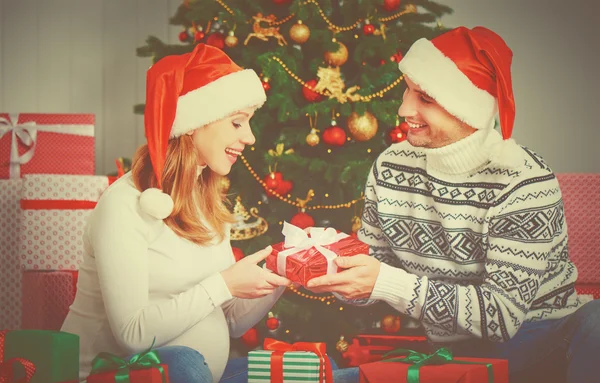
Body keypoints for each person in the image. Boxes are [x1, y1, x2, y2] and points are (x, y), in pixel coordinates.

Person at [306, 26, 600, 382]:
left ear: (468, 109)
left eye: (425, 99)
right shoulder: (390, 166)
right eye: (408, 92)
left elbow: (502, 317)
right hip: (451, 352)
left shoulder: (523, 181)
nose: (403, 109)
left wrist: (387, 283)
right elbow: (375, 269)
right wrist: (334, 262)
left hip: (544, 339)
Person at [61, 43, 294, 382]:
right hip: (115, 375)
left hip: (199, 374)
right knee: (184, 363)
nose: (251, 137)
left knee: (316, 372)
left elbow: (230, 321)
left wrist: (283, 273)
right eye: (237, 123)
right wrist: (223, 283)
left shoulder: (209, 203)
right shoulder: (124, 204)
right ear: (193, 124)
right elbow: (133, 334)